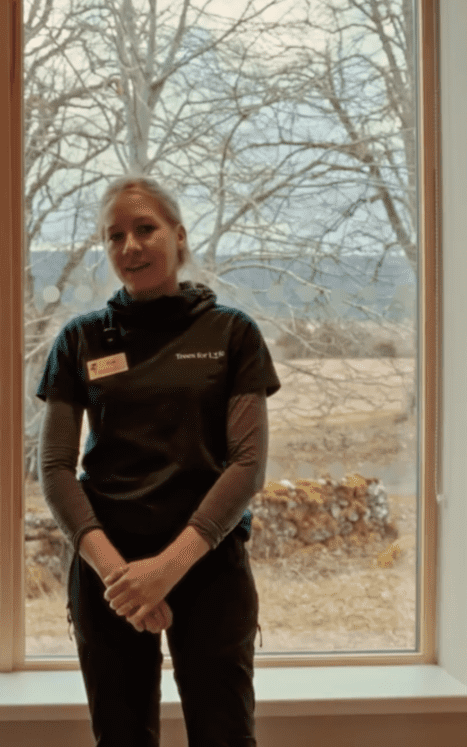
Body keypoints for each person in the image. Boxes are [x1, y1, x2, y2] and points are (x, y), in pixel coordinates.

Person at [36, 176, 280, 747]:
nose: (130, 247)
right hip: (109, 573)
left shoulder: (231, 333)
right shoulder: (82, 341)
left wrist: (166, 569)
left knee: (224, 734)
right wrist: (119, 576)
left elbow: (247, 466)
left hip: (208, 567)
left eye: (144, 229)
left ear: (179, 236)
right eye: (114, 236)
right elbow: (53, 468)